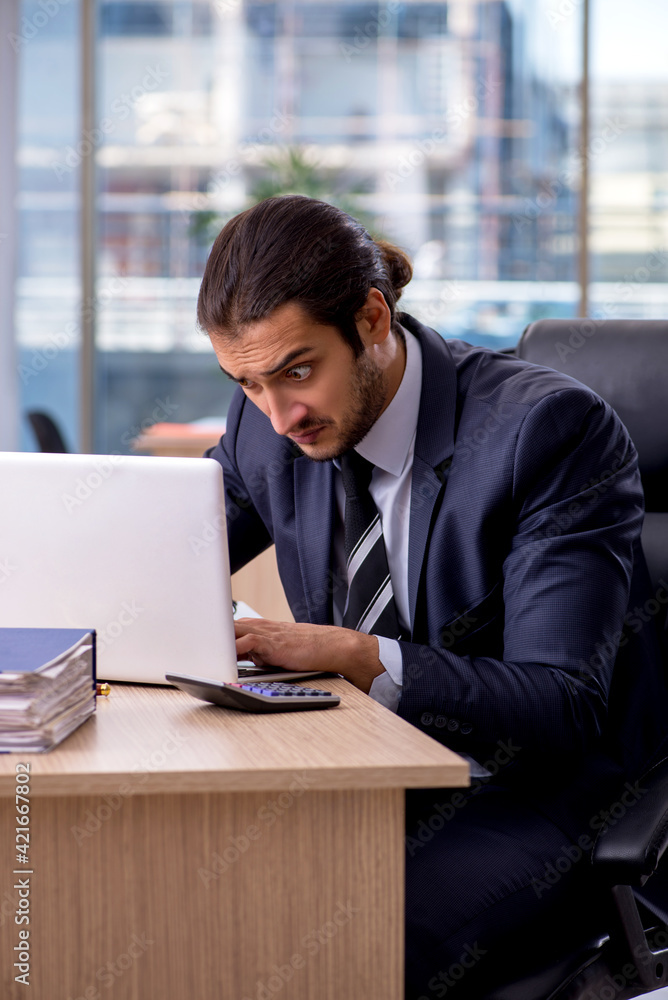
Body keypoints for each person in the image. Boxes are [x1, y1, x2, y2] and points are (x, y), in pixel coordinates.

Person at [198, 194, 667, 997]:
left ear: (372, 319)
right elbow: (174, 554)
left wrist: (356, 654)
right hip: (368, 776)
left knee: (325, 939)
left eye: (296, 372)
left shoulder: (547, 433)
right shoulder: (266, 431)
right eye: (245, 384)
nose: (279, 416)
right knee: (192, 900)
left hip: (532, 795)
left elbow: (563, 705)